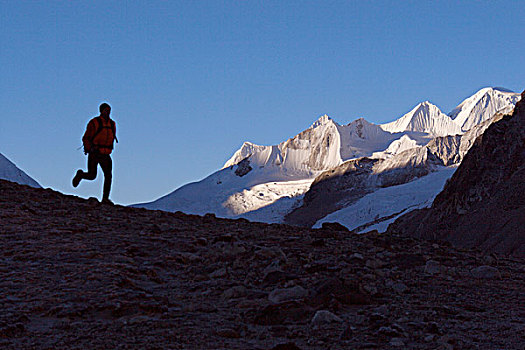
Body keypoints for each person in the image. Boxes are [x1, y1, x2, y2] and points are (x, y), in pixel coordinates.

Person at [72, 102, 118, 204]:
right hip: (95, 152)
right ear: (101, 111)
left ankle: (105, 198)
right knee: (92, 175)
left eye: (109, 110)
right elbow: (86, 137)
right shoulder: (94, 122)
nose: (108, 112)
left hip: (106, 153)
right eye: (106, 110)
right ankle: (80, 175)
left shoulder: (112, 124)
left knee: (108, 175)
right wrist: (90, 148)